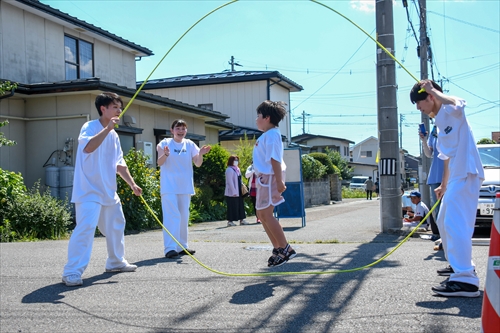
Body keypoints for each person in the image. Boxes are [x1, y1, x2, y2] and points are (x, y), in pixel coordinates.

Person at [410, 79, 484, 297]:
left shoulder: (452, 110)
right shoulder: (440, 125)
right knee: (443, 220)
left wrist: (432, 89)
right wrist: (443, 184)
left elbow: (459, 101)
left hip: (467, 173)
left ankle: (465, 280)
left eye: (419, 102)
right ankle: (459, 266)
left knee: (455, 223)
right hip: (456, 177)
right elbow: (447, 158)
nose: (418, 108)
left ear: (430, 97)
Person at [62, 92, 142, 287]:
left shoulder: (113, 134)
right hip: (88, 191)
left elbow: (119, 164)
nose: (119, 111)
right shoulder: (89, 127)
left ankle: (115, 262)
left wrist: (132, 184)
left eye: (120, 108)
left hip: (108, 190)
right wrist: (107, 128)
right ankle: (71, 272)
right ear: (103, 109)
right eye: (115, 107)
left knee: (116, 224)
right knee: (86, 229)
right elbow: (88, 148)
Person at [157, 119, 211, 259]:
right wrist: (166, 154)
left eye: (183, 128)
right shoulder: (164, 143)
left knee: (183, 217)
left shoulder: (190, 144)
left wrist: (200, 154)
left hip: (185, 186)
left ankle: (182, 246)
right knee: (171, 216)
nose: (181, 131)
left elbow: (198, 164)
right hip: (169, 187)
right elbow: (159, 162)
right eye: (178, 128)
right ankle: (170, 248)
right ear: (172, 130)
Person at [253, 100, 296, 267]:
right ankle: (278, 248)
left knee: (267, 215)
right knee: (262, 215)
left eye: (258, 116)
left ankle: (285, 247)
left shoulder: (272, 135)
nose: (256, 119)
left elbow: (275, 159)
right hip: (264, 178)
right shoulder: (267, 135)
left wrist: (279, 181)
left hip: (270, 178)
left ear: (267, 117)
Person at [419, 125, 444, 239]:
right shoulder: (434, 130)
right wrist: (424, 140)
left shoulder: (451, 125)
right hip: (435, 175)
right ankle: (442, 236)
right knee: (437, 209)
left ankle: (450, 237)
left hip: (451, 175)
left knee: (450, 207)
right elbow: (429, 154)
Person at [225, 155, 249, 226]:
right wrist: (234, 191)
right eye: (235, 160)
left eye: (237, 160)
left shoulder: (237, 169)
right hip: (232, 192)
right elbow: (230, 182)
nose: (236, 162)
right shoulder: (229, 169)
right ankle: (230, 221)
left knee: (240, 205)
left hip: (239, 190)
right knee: (232, 206)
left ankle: (242, 220)